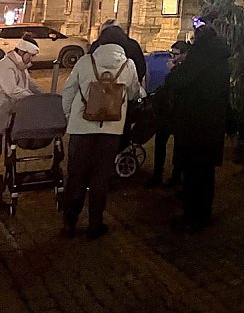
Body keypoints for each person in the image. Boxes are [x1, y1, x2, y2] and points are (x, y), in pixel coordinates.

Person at [61, 39, 143, 239]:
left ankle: (69, 223)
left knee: (76, 175)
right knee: (101, 177)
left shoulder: (85, 61)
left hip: (81, 129)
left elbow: (68, 91)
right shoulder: (128, 65)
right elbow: (133, 94)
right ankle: (95, 224)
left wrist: (68, 117)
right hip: (111, 130)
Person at [170, 23, 229, 232]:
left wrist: (174, 70)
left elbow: (180, 82)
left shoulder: (199, 55)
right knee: (207, 173)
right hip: (212, 123)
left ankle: (192, 216)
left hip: (194, 124)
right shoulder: (221, 57)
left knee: (193, 173)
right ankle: (205, 213)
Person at [145, 40, 189, 188]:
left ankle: (176, 177)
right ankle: (157, 175)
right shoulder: (172, 65)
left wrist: (173, 71)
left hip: (178, 113)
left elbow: (177, 85)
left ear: (184, 54)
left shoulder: (186, 68)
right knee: (160, 143)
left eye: (176, 54)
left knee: (179, 147)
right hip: (166, 112)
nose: (173, 57)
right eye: (172, 54)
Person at [0, 36, 43, 146]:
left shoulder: (20, 66)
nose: (32, 59)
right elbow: (12, 90)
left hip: (12, 109)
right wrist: (32, 97)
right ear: (21, 51)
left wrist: (44, 96)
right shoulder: (6, 65)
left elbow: (30, 84)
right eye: (31, 55)